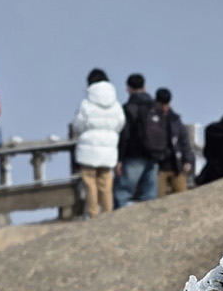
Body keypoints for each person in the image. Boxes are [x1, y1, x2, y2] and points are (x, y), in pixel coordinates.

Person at [70, 68, 126, 216]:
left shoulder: (86, 103)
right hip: (108, 148)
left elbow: (77, 125)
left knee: (90, 182)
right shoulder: (115, 104)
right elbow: (121, 123)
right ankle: (108, 213)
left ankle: (93, 213)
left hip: (88, 149)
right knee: (106, 182)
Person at [114, 74, 160, 207]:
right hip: (154, 153)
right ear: (144, 87)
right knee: (150, 193)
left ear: (129, 88)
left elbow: (125, 134)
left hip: (133, 153)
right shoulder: (155, 107)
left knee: (123, 191)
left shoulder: (128, 107)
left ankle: (118, 221)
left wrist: (120, 158)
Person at [153, 88, 194, 197]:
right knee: (157, 199)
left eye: (166, 104)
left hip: (176, 165)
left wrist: (188, 160)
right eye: (162, 104)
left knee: (183, 197)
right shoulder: (151, 118)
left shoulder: (175, 119)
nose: (164, 107)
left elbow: (184, 140)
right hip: (158, 167)